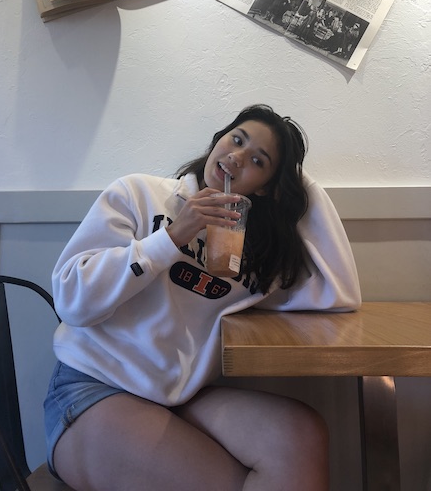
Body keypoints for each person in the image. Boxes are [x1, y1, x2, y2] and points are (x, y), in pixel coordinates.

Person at [44, 104, 361, 491]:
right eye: (237, 139)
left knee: (301, 435)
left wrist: (295, 175)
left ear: (265, 187)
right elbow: (72, 300)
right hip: (93, 386)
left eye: (258, 160)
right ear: (219, 140)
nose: (237, 156)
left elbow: (340, 293)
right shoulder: (141, 195)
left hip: (176, 396)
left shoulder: (247, 253)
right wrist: (172, 237)